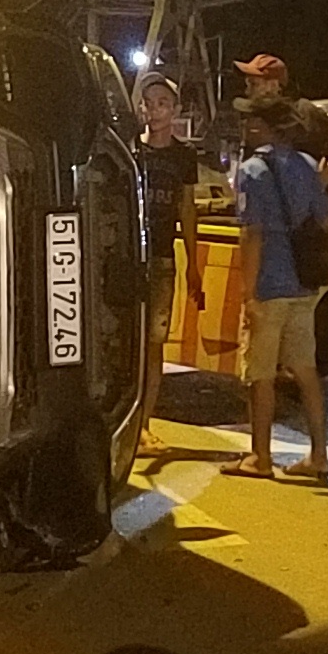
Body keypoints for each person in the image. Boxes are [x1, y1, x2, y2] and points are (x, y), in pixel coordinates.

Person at [227, 96, 328, 482]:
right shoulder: (306, 165)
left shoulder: (252, 171)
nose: (244, 125)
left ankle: (260, 458)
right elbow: (324, 219)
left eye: (249, 118)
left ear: (262, 127)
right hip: (303, 286)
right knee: (305, 370)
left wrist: (248, 293)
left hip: (269, 286)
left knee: (261, 375)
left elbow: (251, 235)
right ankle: (319, 455)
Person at [129, 75, 207, 458]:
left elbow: (186, 208)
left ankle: (144, 424)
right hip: (127, 259)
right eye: (148, 102)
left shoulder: (182, 157)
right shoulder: (128, 151)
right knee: (126, 342)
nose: (154, 109)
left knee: (154, 343)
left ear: (175, 110)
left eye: (162, 102)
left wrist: (193, 263)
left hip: (161, 258)